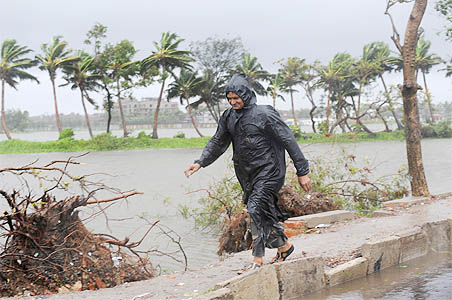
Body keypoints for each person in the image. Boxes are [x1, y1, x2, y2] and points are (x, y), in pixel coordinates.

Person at [184, 74, 311, 269]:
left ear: (247, 95)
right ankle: (284, 246)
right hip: (247, 174)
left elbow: (288, 140)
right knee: (264, 211)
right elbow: (218, 142)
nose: (233, 102)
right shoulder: (228, 117)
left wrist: (302, 171)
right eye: (230, 99)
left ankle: (257, 260)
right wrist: (200, 162)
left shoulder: (265, 114)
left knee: (254, 208)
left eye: (237, 98)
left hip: (270, 170)